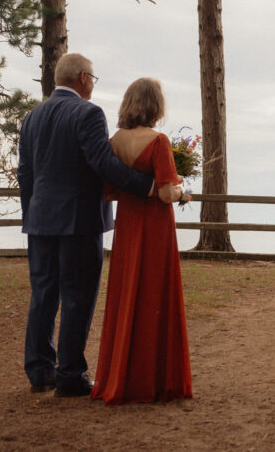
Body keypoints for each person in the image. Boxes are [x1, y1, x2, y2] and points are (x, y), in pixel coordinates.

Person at [19, 53, 155, 398]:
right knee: (78, 297)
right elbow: (102, 163)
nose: (93, 83)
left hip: (40, 221)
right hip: (79, 221)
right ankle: (70, 375)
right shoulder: (88, 113)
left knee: (43, 296)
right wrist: (148, 186)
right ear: (82, 77)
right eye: (93, 78)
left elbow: (26, 174)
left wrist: (32, 213)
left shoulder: (32, 117)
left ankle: (39, 371)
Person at [91, 78, 193, 404]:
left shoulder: (113, 142)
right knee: (154, 297)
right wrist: (183, 190)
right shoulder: (160, 142)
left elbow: (109, 191)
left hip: (128, 227)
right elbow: (166, 194)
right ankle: (154, 380)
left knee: (127, 297)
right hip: (155, 230)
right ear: (156, 105)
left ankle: (120, 376)